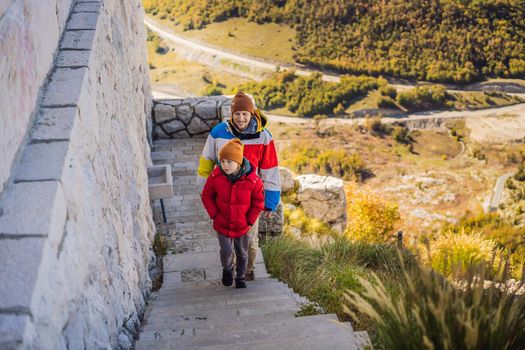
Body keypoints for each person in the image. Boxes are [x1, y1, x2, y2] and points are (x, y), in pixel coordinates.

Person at [197, 91, 281, 280]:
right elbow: (206, 161)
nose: (241, 118)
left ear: (252, 113)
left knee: (249, 240)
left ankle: (247, 271)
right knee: (227, 238)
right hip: (224, 196)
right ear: (231, 114)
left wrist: (271, 200)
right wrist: (204, 188)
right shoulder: (219, 132)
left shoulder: (264, 137)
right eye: (237, 113)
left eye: (245, 113)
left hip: (249, 197)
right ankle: (229, 267)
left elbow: (270, 168)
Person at [201, 138, 265, 288]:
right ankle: (228, 269)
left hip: (242, 224)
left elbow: (258, 203)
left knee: (242, 253)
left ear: (239, 161)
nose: (225, 165)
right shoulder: (216, 177)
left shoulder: (253, 181)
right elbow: (206, 196)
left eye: (229, 162)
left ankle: (241, 277)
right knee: (227, 251)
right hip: (222, 222)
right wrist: (214, 215)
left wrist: (249, 221)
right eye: (222, 161)